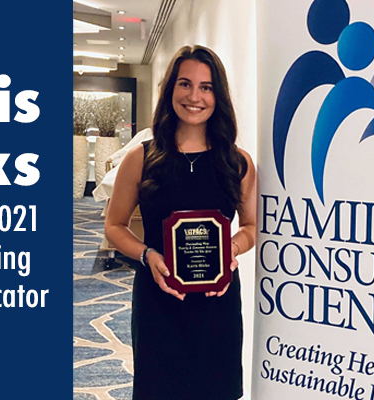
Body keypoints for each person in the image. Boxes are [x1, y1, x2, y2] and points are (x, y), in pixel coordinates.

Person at [104, 45, 257, 400]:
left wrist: (229, 250)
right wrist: (147, 255)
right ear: (170, 89)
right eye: (185, 84)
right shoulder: (141, 158)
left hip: (216, 303)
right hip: (158, 301)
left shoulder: (237, 163)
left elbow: (250, 227)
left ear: (218, 96)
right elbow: (114, 226)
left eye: (206, 87)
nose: (195, 96)